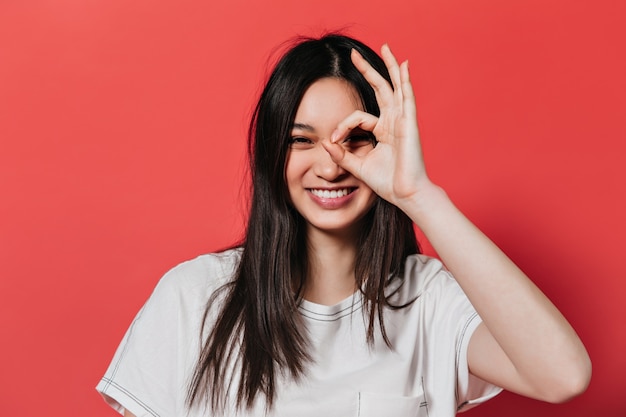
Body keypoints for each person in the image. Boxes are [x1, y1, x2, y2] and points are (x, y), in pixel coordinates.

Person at [96, 34, 591, 417]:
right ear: (271, 153)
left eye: (353, 139)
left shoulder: (430, 303)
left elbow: (563, 376)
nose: (331, 166)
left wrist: (419, 196)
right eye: (301, 140)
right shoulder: (195, 297)